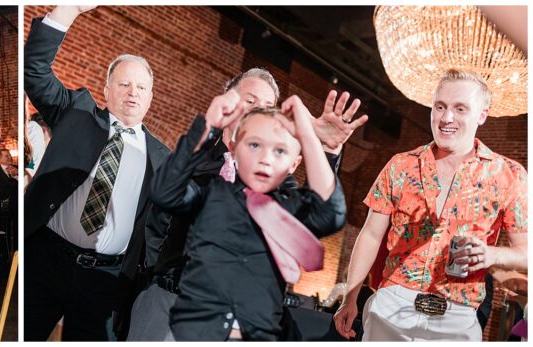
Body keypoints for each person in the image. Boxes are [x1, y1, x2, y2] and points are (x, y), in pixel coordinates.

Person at [127, 67, 367, 341]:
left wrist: (324, 147)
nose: (257, 110)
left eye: (266, 106)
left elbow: (322, 212)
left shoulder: (278, 182)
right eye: (250, 100)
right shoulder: (195, 160)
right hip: (170, 304)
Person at [333, 69, 527, 341]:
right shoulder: (400, 165)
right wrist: (350, 297)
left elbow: (526, 252)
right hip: (390, 307)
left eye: (460, 109)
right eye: (440, 106)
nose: (446, 118)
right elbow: (371, 234)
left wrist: (492, 255)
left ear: (482, 115)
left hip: (458, 316)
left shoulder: (508, 174)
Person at [23, 6, 171, 341]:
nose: (133, 92)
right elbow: (34, 70)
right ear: (106, 89)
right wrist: (69, 9)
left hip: (105, 281)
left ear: (150, 97)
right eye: (124, 84)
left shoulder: (162, 159)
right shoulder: (77, 113)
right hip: (46, 262)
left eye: (141, 87)